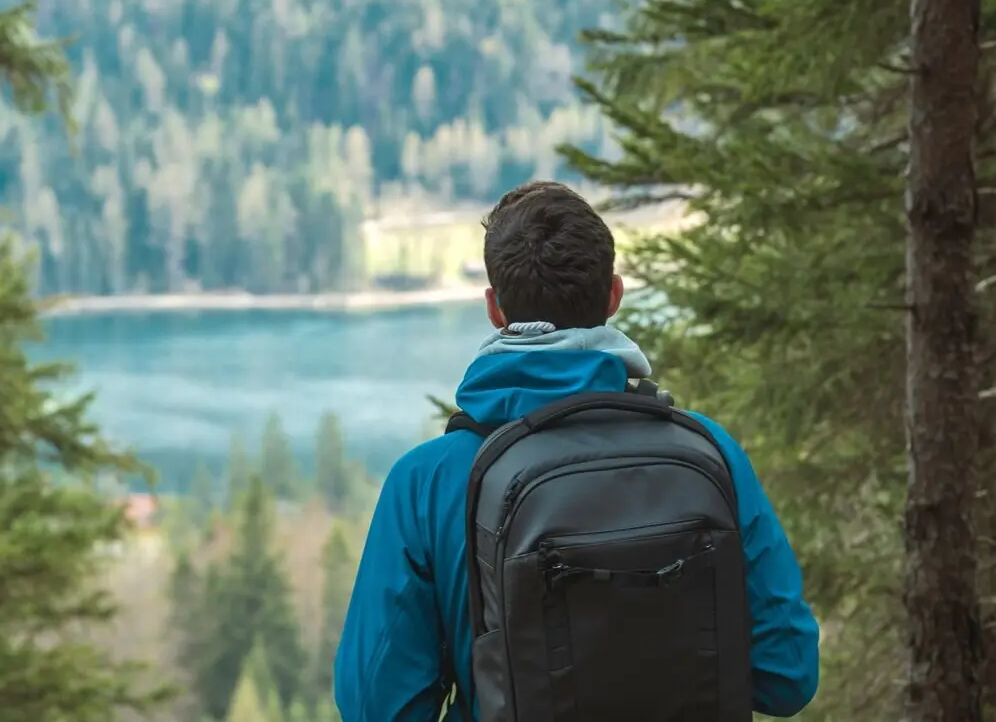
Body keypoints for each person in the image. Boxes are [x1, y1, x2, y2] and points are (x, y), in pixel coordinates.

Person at [333, 181, 820, 722]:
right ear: (613, 296)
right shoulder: (709, 451)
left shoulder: (427, 481)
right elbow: (787, 675)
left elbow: (378, 706)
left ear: (495, 309)